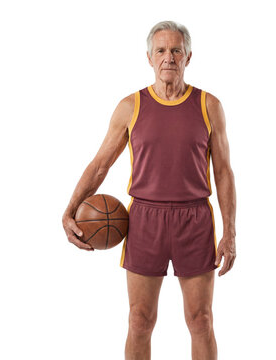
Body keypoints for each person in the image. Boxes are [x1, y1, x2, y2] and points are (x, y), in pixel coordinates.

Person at [61, 21, 236, 360]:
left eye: (176, 50)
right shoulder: (131, 106)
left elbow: (224, 172)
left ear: (188, 57)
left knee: (201, 321)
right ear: (149, 57)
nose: (168, 57)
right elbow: (100, 164)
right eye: (161, 51)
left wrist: (229, 232)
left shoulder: (209, 105)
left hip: (194, 219)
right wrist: (69, 210)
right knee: (140, 321)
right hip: (144, 220)